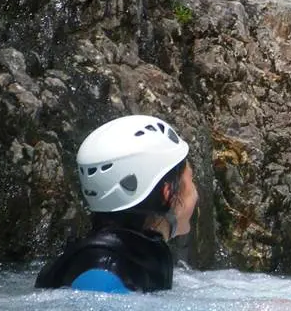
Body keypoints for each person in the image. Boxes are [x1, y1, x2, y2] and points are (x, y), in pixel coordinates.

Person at [35, 114, 199, 293]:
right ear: (167, 193)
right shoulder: (103, 274)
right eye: (192, 179)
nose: (196, 192)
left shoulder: (111, 260)